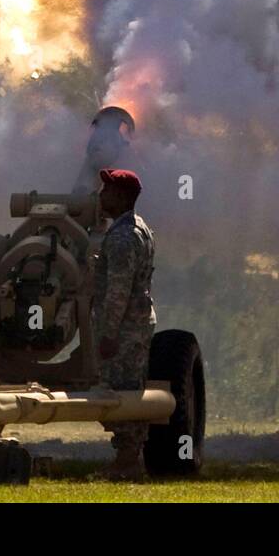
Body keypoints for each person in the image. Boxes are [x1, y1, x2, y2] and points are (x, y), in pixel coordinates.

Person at [92, 168, 156, 481]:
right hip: (137, 322)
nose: (101, 195)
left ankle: (127, 461)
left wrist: (108, 334)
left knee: (124, 391)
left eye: (106, 190)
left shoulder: (121, 237)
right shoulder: (140, 228)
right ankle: (129, 459)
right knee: (131, 388)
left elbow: (118, 290)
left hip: (125, 327)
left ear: (120, 196)